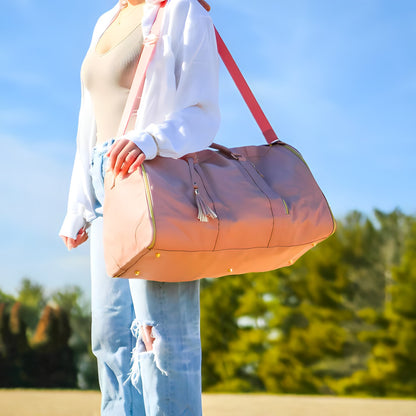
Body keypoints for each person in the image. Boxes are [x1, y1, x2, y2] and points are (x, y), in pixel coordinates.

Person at [59, 0, 220, 414]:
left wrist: (150, 140)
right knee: (112, 340)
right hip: (104, 184)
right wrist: (79, 203)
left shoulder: (184, 11)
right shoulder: (104, 21)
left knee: (163, 337)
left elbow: (203, 114)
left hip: (154, 182)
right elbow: (88, 120)